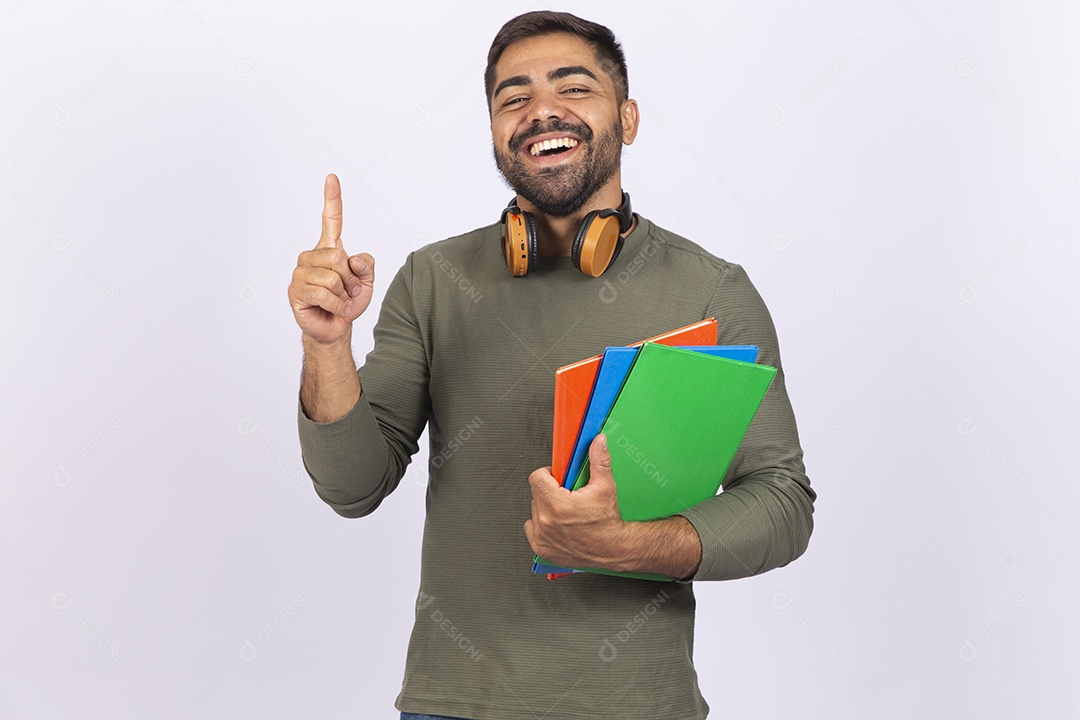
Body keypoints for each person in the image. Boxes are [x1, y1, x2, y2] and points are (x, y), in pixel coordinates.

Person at [288, 11, 815, 720]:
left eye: (574, 87)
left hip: (638, 706)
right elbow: (352, 487)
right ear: (496, 132)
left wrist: (628, 546)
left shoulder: (712, 291)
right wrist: (327, 343)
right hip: (455, 704)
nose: (541, 111)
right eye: (513, 98)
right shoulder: (434, 280)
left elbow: (782, 503)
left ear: (627, 118)